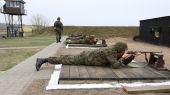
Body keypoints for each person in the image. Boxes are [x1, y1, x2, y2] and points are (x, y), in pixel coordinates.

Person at [35, 42, 141, 71]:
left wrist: (132, 57)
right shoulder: (110, 52)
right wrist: (124, 57)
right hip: (85, 58)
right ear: (119, 50)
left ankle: (44, 59)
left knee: (66, 57)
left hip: (88, 57)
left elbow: (122, 63)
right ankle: (43, 60)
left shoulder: (115, 52)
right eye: (123, 51)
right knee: (65, 59)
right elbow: (115, 65)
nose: (124, 53)